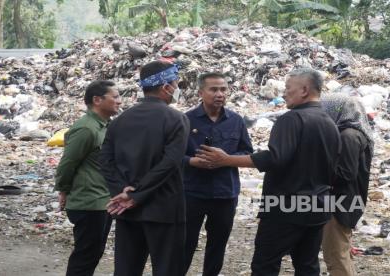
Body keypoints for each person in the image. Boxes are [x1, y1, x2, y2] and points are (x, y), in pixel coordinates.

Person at [197, 68, 341, 276]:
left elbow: (275, 158)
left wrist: (226, 160)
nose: (284, 93)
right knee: (307, 265)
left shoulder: (291, 119)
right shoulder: (330, 123)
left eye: (287, 88)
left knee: (266, 265)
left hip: (286, 207)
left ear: (304, 90)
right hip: (319, 206)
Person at [99, 61, 190, 276]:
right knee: (168, 269)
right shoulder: (177, 119)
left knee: (126, 269)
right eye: (175, 83)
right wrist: (137, 195)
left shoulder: (119, 120)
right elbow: (170, 163)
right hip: (165, 210)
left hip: (127, 211)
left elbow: (105, 161)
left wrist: (123, 193)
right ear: (165, 86)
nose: (177, 88)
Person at [183, 72, 253, 276]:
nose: (219, 94)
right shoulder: (186, 120)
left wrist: (226, 159)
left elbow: (248, 153)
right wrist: (192, 161)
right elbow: (172, 156)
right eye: (213, 89)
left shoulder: (236, 121)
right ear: (201, 92)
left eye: (223, 89)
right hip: (192, 193)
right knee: (185, 244)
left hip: (225, 194)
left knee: (217, 245)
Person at [54, 80, 121, 276]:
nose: (119, 101)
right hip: (88, 202)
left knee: (94, 253)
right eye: (115, 96)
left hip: (102, 201)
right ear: (97, 100)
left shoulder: (104, 126)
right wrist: (63, 190)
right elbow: (68, 163)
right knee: (85, 255)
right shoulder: (86, 129)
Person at [321, 93, 374, 276]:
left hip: (340, 204)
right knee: (342, 254)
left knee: (336, 258)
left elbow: (345, 174)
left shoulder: (348, 136)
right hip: (347, 202)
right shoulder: (356, 133)